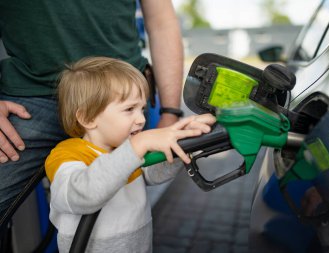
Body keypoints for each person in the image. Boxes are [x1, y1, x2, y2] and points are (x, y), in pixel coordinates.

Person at [0, 0, 184, 217]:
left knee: (123, 207)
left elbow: (161, 20)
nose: (142, 121)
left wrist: (176, 122)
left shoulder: (132, 116)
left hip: (121, 98)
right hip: (28, 97)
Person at [45, 57, 215, 252]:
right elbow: (83, 195)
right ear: (88, 117)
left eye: (141, 108)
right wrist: (138, 144)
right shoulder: (67, 155)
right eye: (129, 109)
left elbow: (154, 173)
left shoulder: (126, 149)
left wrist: (187, 141)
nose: (141, 119)